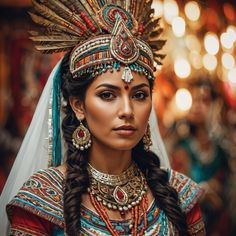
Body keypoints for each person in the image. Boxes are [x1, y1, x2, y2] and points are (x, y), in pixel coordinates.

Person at [0, 0, 205, 235]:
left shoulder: (179, 196)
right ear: (78, 105)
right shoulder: (44, 199)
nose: (127, 110)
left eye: (139, 95)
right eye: (107, 95)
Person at [170, 79, 229, 234]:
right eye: (193, 100)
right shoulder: (180, 149)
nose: (196, 106)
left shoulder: (222, 152)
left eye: (204, 100)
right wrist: (204, 193)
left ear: (216, 105)